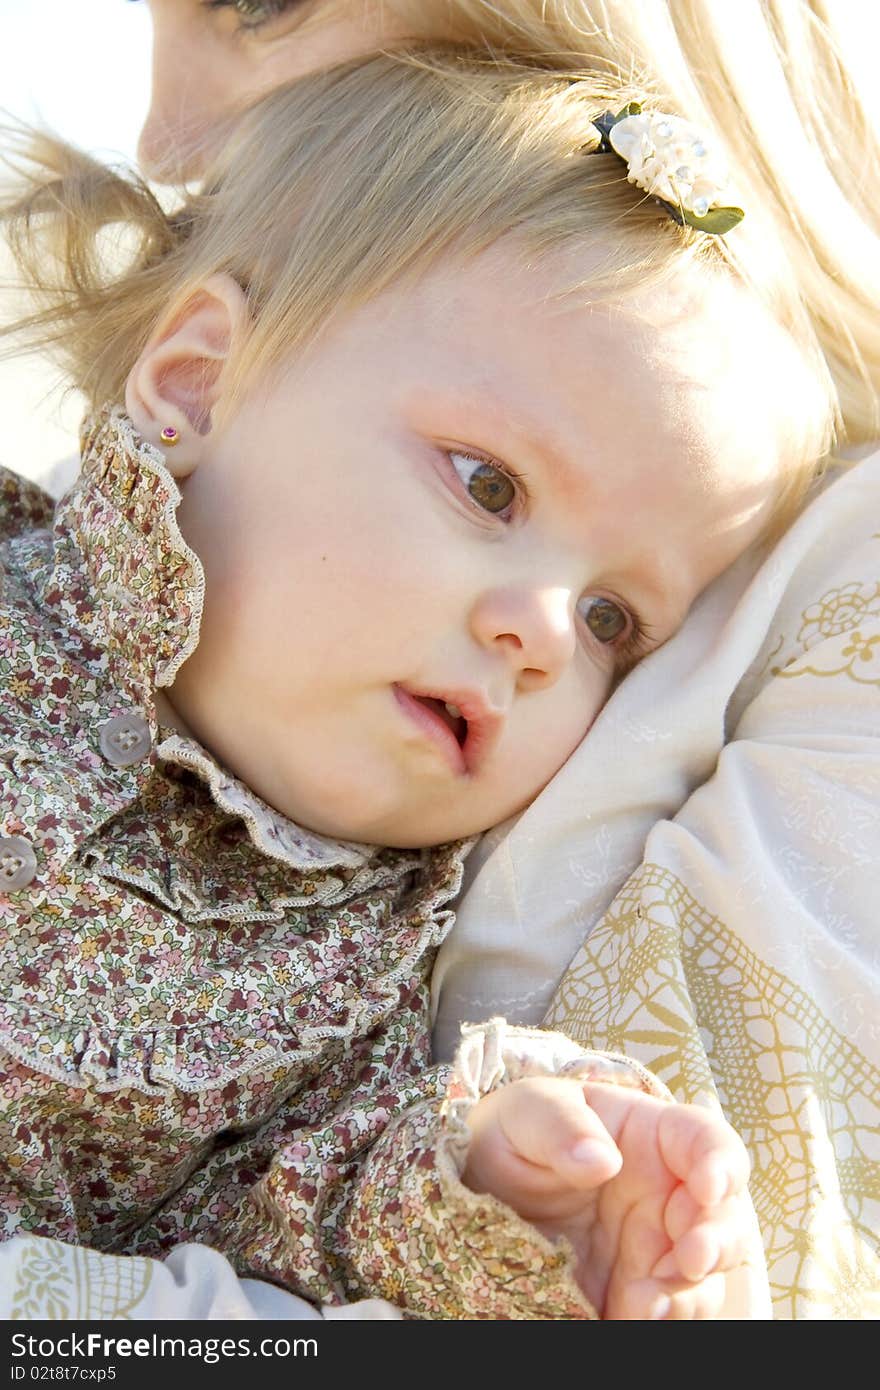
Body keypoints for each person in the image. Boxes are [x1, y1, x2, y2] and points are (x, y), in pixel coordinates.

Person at [2, 0, 877, 1321]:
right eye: (487, 485)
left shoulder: (373, 969)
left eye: (612, 624)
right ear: (190, 385)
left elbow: (290, 1221)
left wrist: (502, 1176)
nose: (540, 633)